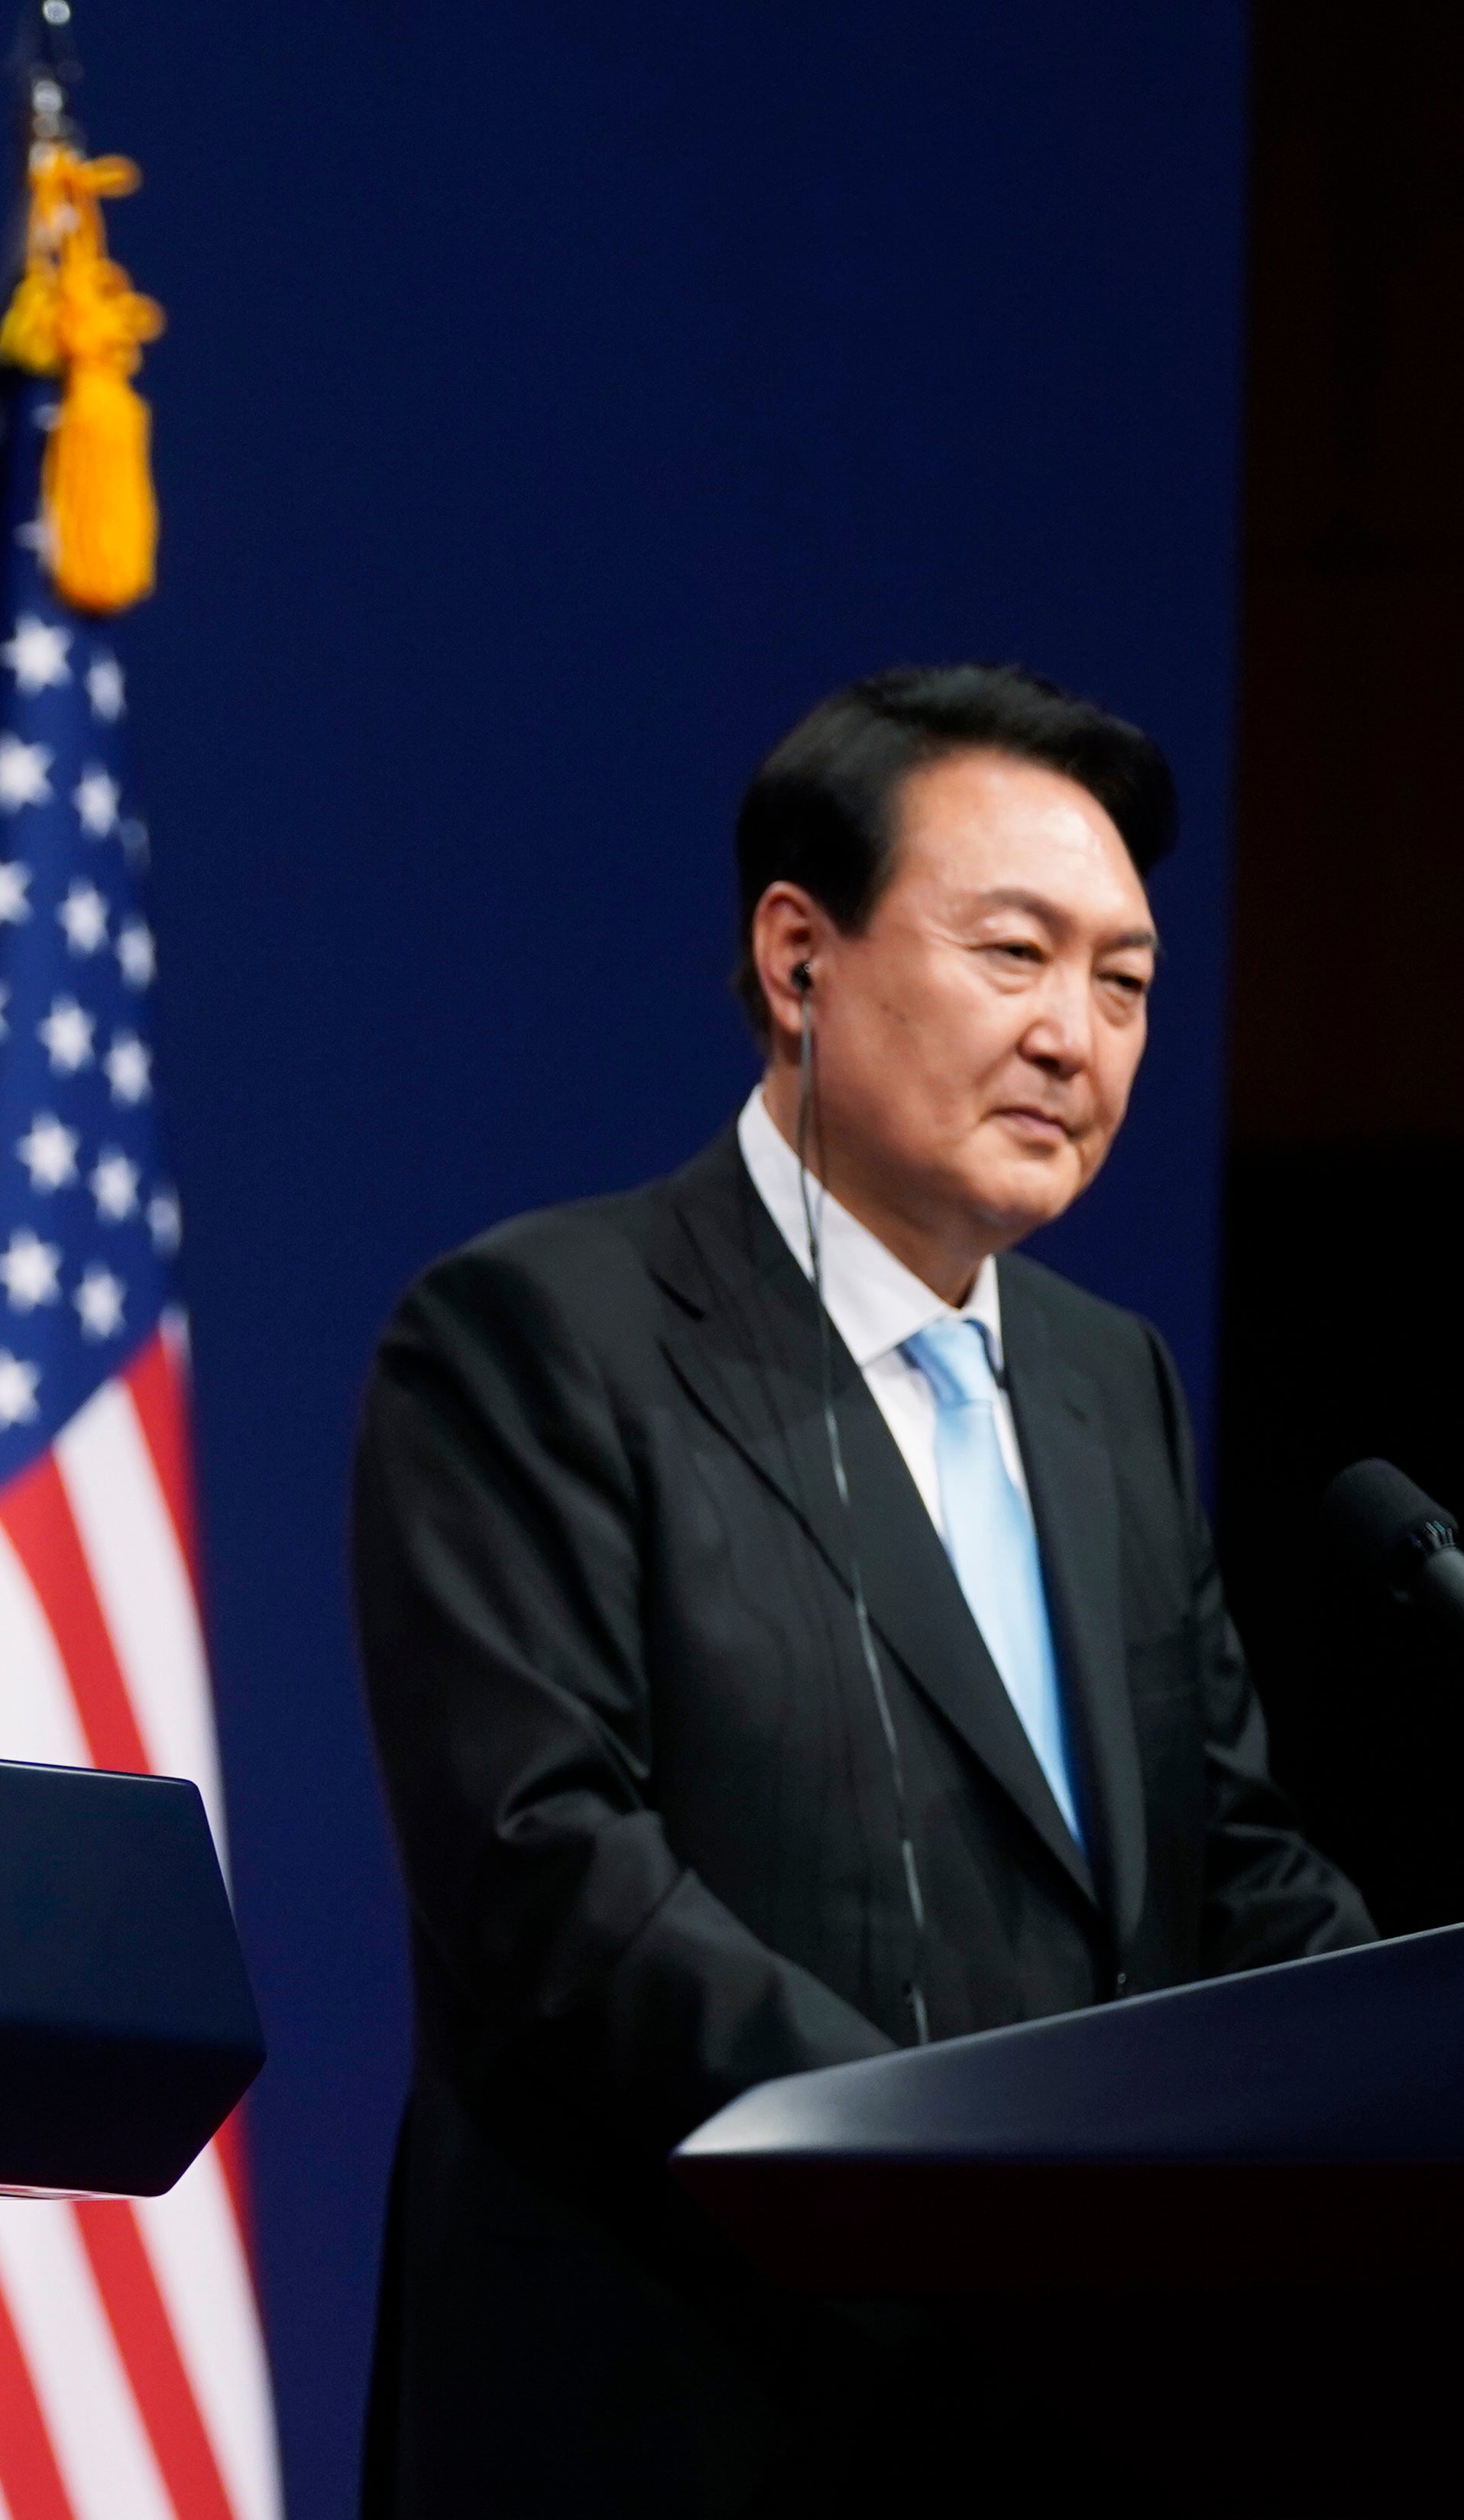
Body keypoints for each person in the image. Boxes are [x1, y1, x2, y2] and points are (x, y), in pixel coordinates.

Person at [350, 663, 1373, 2516]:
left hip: (1062, 2428)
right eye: (1013, 954)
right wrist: (969, 2193)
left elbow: (1228, 1865)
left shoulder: (1105, 1384)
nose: (1077, 1035)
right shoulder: (534, 1337)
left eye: (1123, 981)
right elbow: (552, 1875)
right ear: (797, 957)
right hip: (681, 2408)